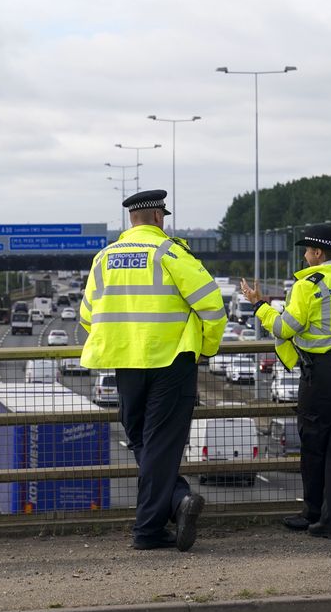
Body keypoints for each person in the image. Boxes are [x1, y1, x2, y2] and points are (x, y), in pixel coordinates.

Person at [80, 189, 227, 551]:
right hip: (172, 362)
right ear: (159, 217)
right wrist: (204, 349)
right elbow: (213, 307)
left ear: (131, 219)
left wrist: (123, 338)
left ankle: (173, 507)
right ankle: (155, 523)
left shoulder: (103, 258)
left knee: (141, 439)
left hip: (127, 364)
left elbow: (87, 316)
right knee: (159, 443)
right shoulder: (170, 253)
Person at [240, 224, 331, 541]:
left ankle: (313, 512)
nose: (305, 256)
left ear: (319, 253)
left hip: (324, 372)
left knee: (313, 444)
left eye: (307, 251)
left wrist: (260, 306)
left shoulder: (310, 285)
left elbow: (286, 328)